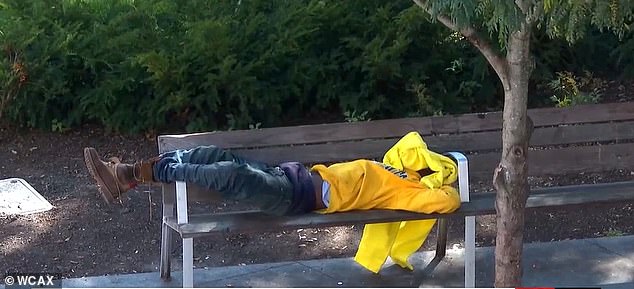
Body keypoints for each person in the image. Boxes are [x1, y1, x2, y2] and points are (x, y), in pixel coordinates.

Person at [83, 131, 460, 217]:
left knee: (229, 173)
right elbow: (411, 143)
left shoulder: (407, 191)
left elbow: (449, 200)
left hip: (292, 197)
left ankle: (156, 171)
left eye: (434, 166)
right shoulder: (397, 162)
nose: (422, 161)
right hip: (287, 175)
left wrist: (439, 179)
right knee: (213, 153)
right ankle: (127, 176)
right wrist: (428, 162)